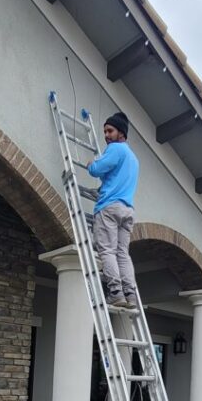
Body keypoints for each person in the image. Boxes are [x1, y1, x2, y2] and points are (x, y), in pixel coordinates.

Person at [88, 110, 139, 308]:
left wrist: (92, 164)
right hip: (127, 211)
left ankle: (115, 292)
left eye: (110, 131)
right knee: (122, 254)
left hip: (109, 208)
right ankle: (130, 293)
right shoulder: (134, 159)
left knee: (107, 250)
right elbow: (115, 178)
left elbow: (97, 170)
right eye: (105, 132)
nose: (106, 136)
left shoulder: (116, 149)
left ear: (121, 133)